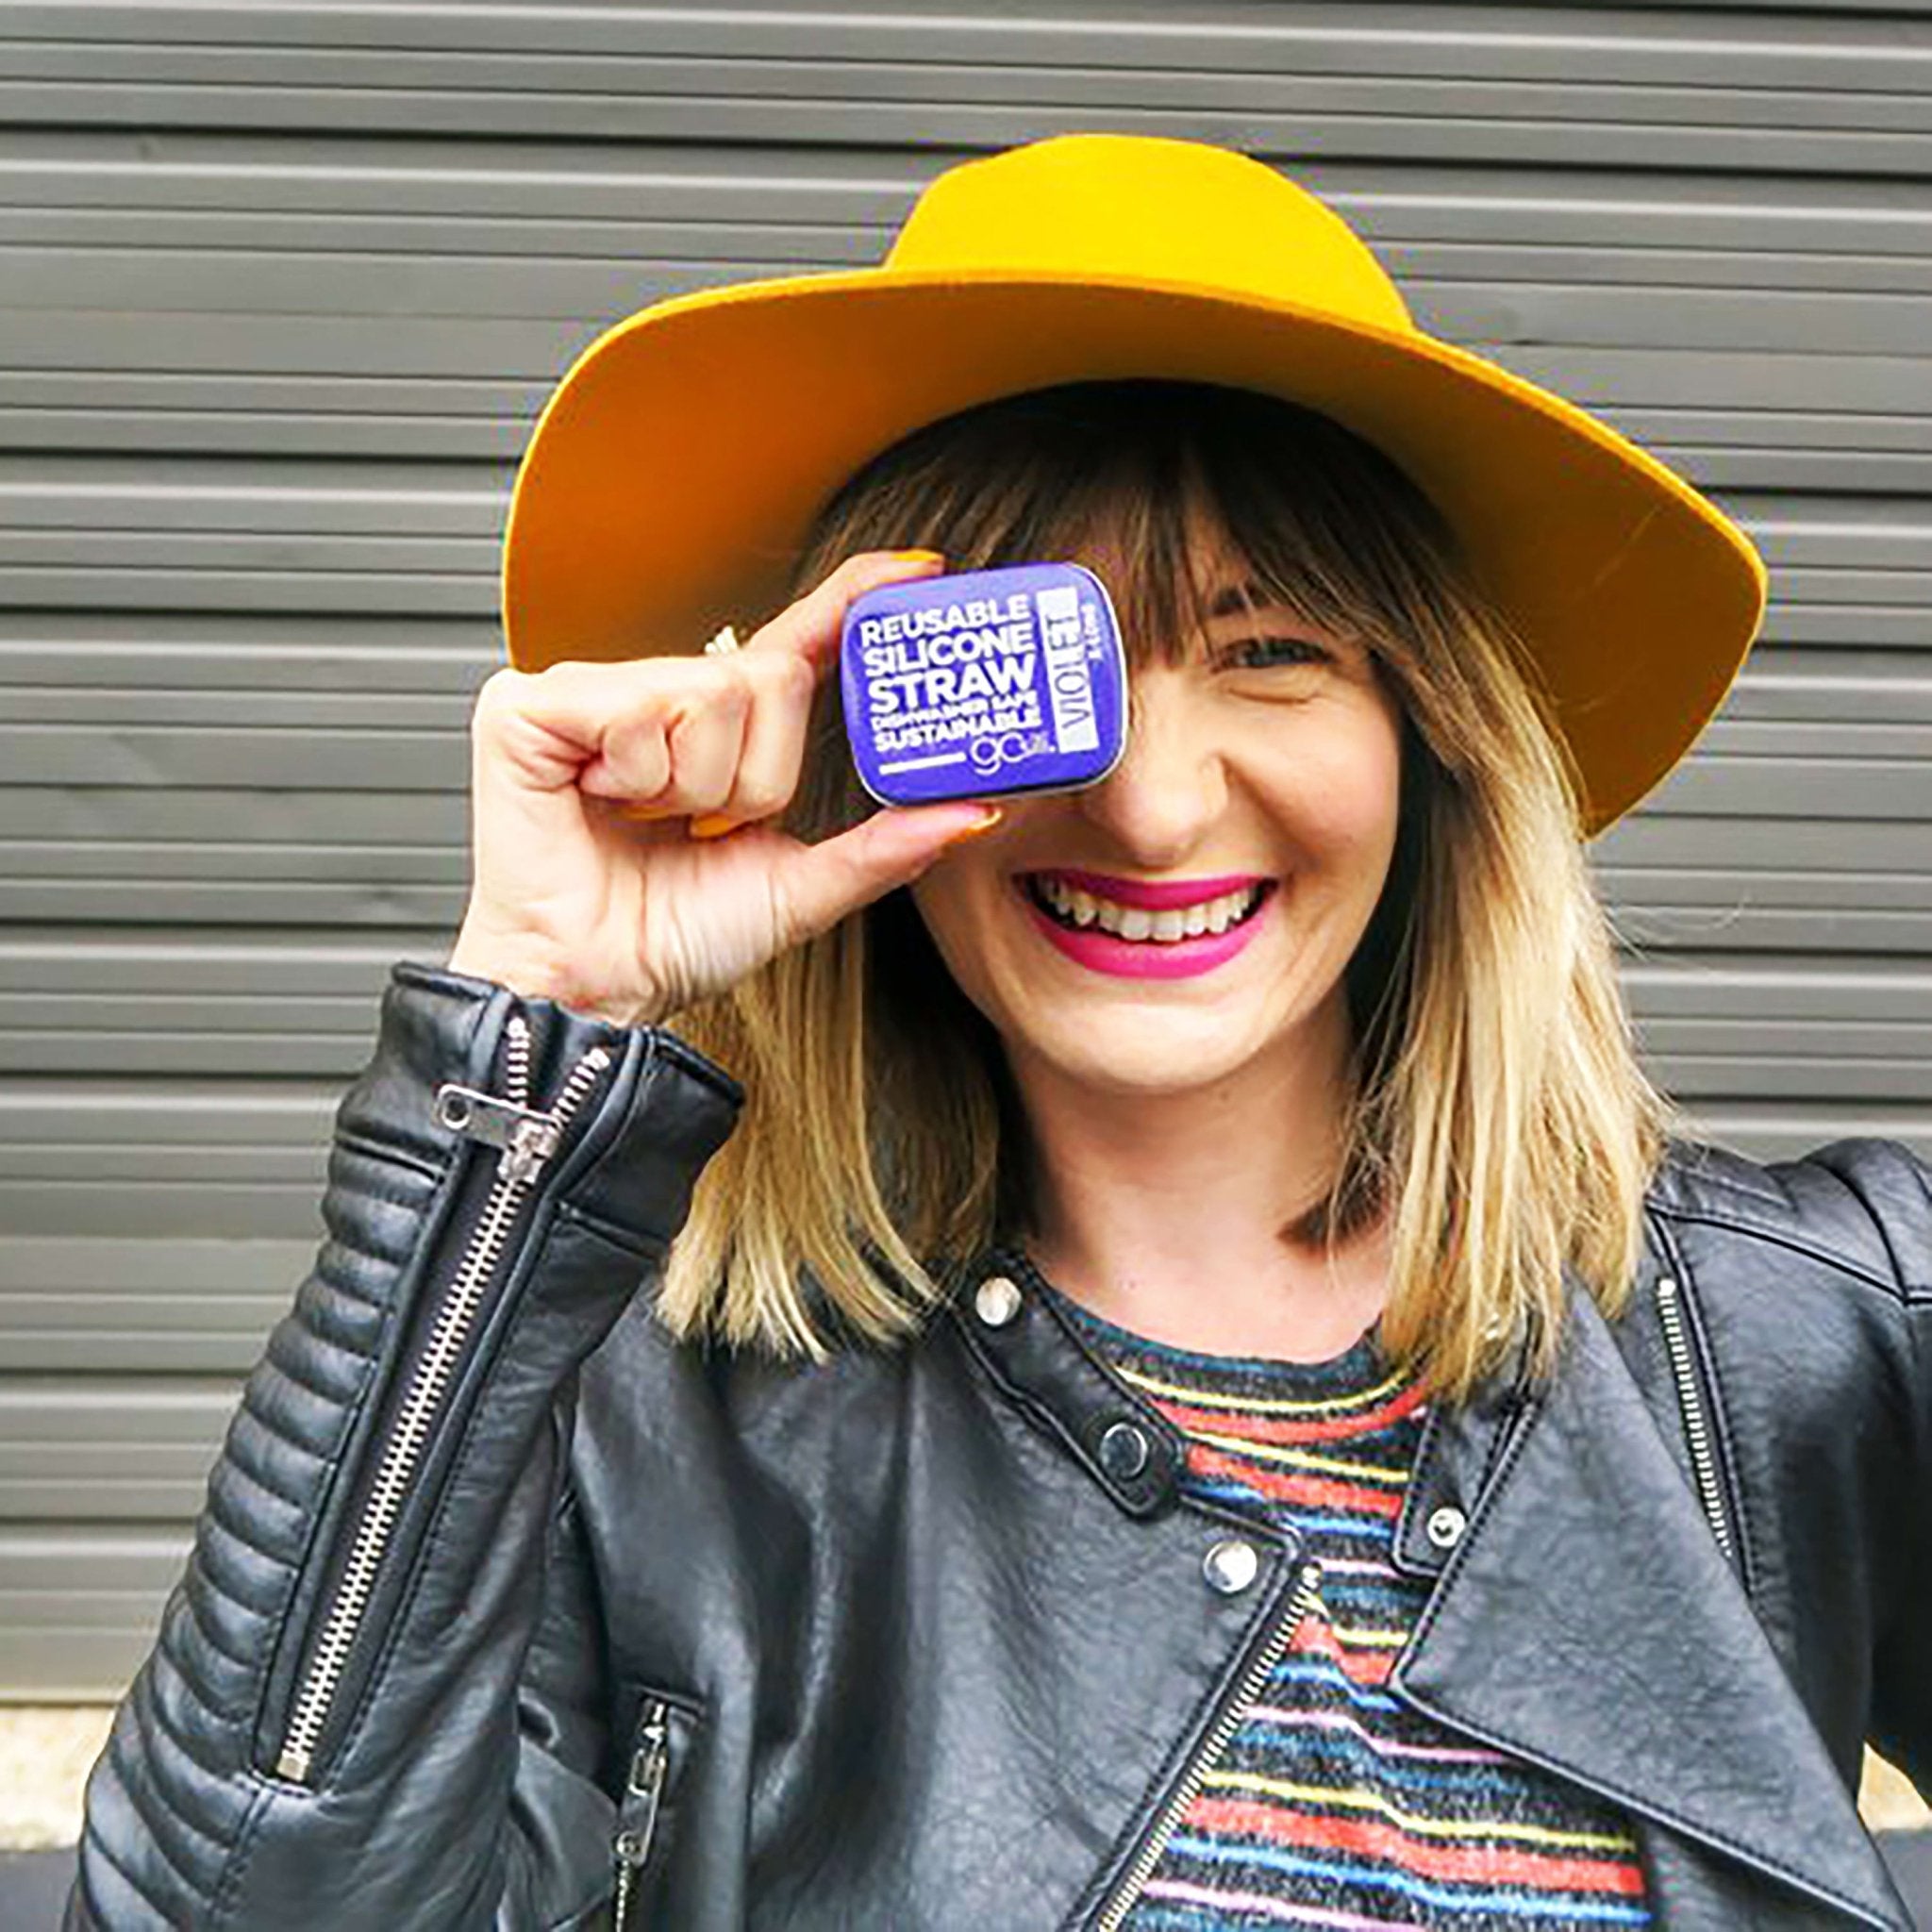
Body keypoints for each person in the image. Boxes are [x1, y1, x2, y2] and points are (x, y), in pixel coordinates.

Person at [67, 133, 1928, 1931]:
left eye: (1270, 648)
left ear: (1429, 733)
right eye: (1045, 665)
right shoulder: (635, 1433)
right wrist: (533, 1051)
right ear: (860, 742)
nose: (1153, 810)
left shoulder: (1811, 1332)